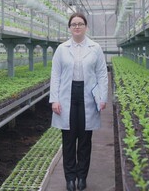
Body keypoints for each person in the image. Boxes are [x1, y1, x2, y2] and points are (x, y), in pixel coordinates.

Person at [49, 12, 108, 191]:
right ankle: (70, 178)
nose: (77, 27)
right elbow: (55, 75)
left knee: (84, 139)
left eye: (80, 24)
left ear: (86, 27)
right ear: (69, 28)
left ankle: (82, 177)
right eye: (73, 24)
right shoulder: (62, 49)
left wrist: (103, 97)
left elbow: (102, 74)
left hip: (88, 96)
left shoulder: (95, 48)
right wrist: (54, 100)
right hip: (68, 95)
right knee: (68, 138)